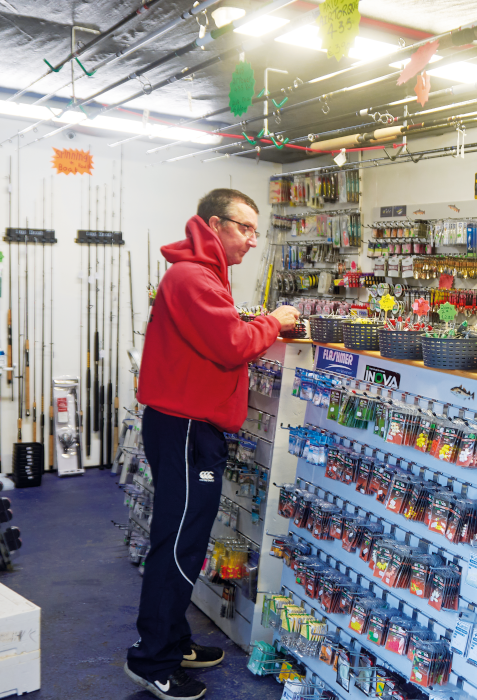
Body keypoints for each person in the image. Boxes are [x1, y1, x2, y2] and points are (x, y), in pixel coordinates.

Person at [124, 189, 299, 700]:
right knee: (178, 543)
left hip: (191, 427)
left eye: (255, 230)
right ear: (215, 225)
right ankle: (151, 659)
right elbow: (231, 345)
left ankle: (172, 641)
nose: (252, 238)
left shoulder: (204, 274)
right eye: (244, 227)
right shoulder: (193, 276)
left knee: (188, 539)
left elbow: (220, 337)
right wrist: (276, 321)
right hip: (183, 427)